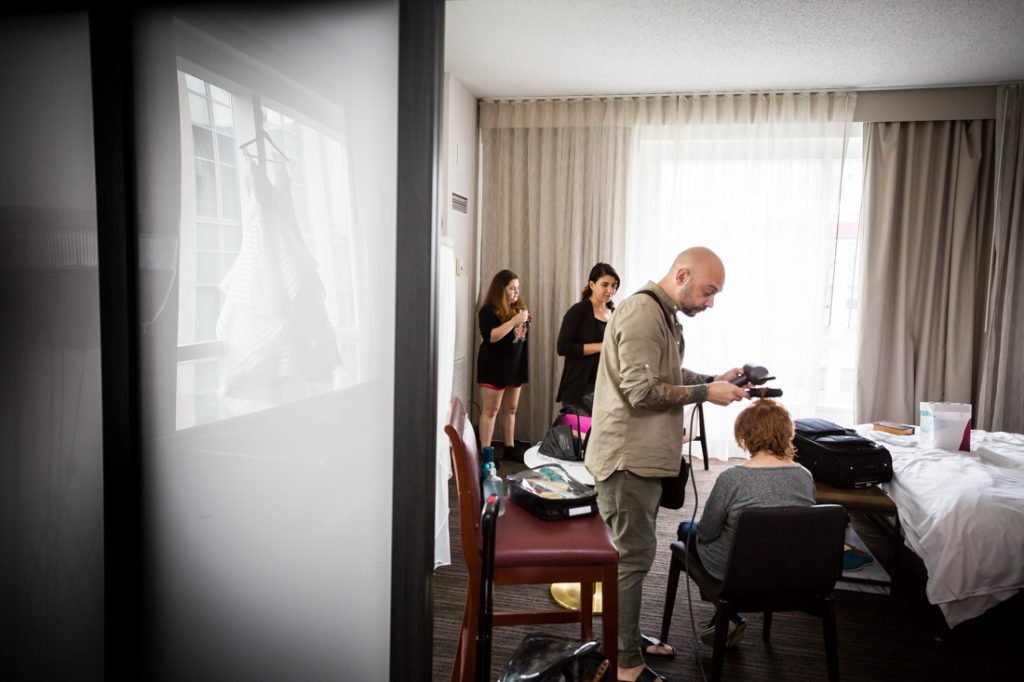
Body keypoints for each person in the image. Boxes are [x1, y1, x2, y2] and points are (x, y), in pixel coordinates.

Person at [585, 247, 748, 682]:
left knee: (634, 556)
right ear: (681, 275)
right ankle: (626, 665)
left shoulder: (661, 314)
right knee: (633, 559)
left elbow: (667, 374)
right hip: (627, 459)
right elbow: (642, 392)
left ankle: (625, 639)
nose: (711, 302)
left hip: (642, 459)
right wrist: (705, 394)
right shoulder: (642, 312)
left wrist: (713, 380)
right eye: (708, 291)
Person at [678, 398, 815, 648]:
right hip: (789, 568)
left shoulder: (733, 478)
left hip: (737, 571)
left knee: (686, 529)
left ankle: (726, 611)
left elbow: (707, 532)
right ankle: (726, 615)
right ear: (787, 433)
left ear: (744, 435)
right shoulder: (804, 476)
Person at [476, 269, 530, 459]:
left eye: (517, 288)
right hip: (493, 366)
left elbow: (520, 338)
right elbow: (491, 336)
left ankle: (509, 448)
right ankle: (486, 453)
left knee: (511, 409)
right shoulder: (488, 311)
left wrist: (519, 320)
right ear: (501, 289)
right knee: (491, 411)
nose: (516, 292)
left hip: (514, 366)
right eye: (512, 288)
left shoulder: (518, 308)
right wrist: (514, 321)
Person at [555, 262, 620, 411]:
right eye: (605, 285)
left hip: (605, 385)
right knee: (581, 434)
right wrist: (601, 346)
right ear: (592, 285)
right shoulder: (578, 311)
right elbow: (562, 347)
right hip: (580, 387)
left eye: (613, 285)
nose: (610, 290)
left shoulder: (613, 312)